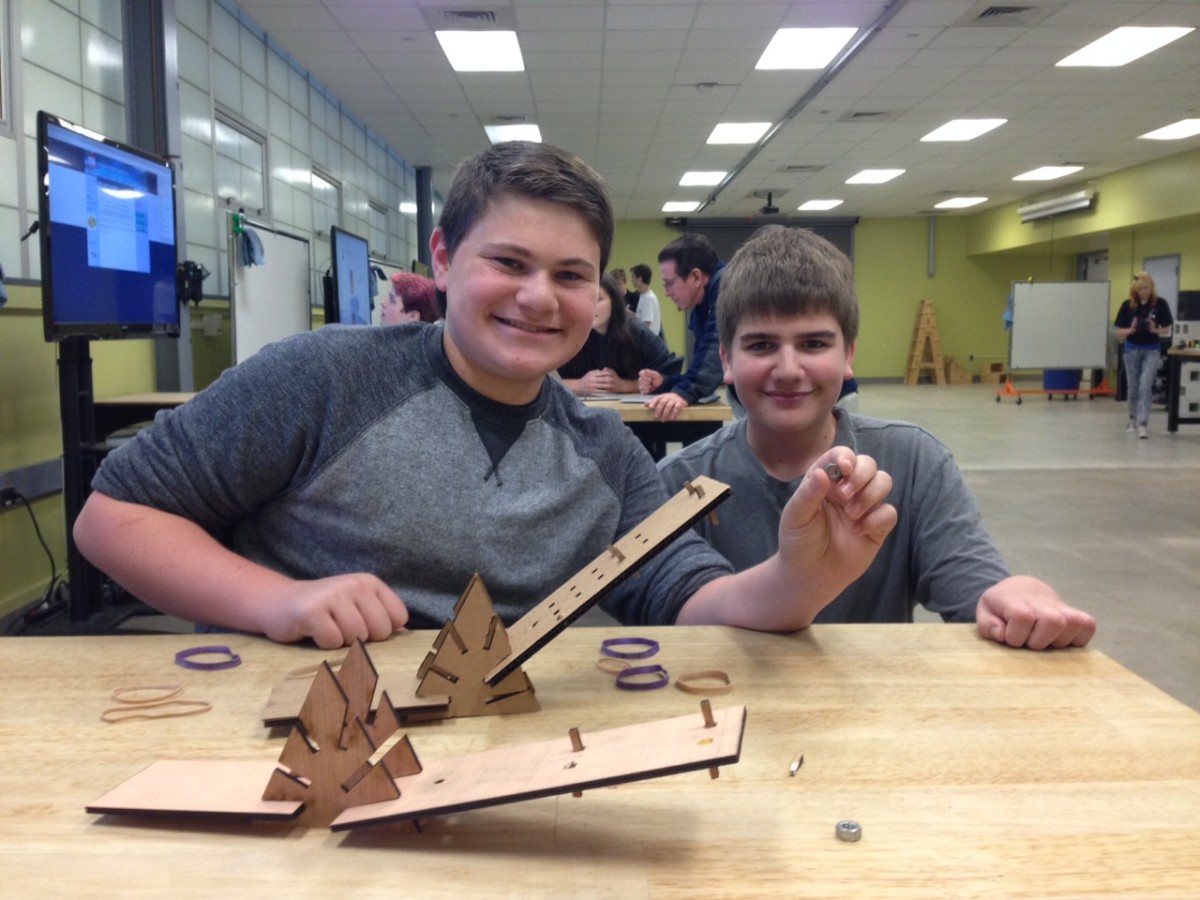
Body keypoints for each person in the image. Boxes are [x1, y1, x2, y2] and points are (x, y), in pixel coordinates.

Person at [72, 141, 897, 650]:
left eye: (571, 275)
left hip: (495, 755)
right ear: (443, 256)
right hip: (290, 738)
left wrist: (799, 576)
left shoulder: (606, 454)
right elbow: (112, 517)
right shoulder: (321, 378)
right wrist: (280, 601)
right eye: (509, 263)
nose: (540, 297)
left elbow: (688, 595)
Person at [658, 226, 1096, 650]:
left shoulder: (913, 462)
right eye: (759, 345)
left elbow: (974, 589)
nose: (789, 369)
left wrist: (1014, 596)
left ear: (848, 354)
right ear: (726, 360)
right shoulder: (679, 482)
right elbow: (658, 624)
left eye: (813, 343)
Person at [638, 234, 726, 422]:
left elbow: (716, 350)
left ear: (696, 277)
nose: (667, 293)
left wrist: (684, 392)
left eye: (670, 283)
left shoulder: (726, 288)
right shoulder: (701, 306)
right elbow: (700, 368)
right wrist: (665, 382)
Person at [558, 273, 680, 395]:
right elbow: (543, 379)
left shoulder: (636, 331)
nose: (590, 307)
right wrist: (579, 384)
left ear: (614, 300)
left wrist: (625, 385)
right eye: (583, 300)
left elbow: (670, 378)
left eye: (598, 299)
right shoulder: (571, 333)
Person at [1114, 271, 1172, 439]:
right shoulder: (1128, 305)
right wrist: (1131, 329)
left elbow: (1167, 329)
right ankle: (1132, 419)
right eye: (1140, 289)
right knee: (1133, 387)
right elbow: (1119, 332)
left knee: (1145, 386)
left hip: (1151, 349)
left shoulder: (1160, 304)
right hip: (1132, 349)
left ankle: (1143, 423)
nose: (1143, 292)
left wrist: (1155, 329)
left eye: (1146, 288)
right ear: (1135, 290)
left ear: (1151, 287)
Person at [629, 263, 663, 337]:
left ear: (640, 278)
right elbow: (641, 317)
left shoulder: (649, 298)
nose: (631, 280)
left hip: (648, 343)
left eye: (633, 277)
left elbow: (646, 324)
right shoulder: (643, 296)